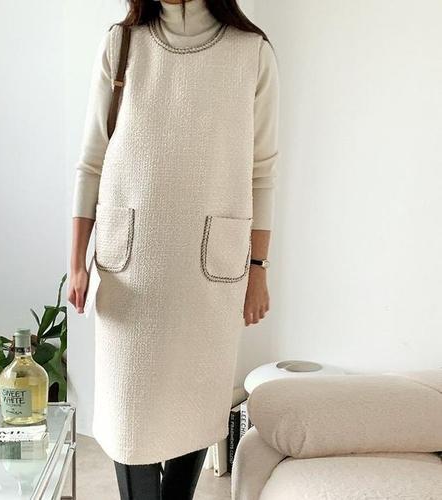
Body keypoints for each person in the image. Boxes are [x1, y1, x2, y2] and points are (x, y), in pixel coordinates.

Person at [68, 0, 279, 498]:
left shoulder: (251, 52)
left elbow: (262, 170)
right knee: (128, 417)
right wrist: (75, 261)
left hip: (210, 267)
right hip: (130, 268)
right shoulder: (122, 44)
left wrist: (259, 268)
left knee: (194, 406)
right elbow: (92, 160)